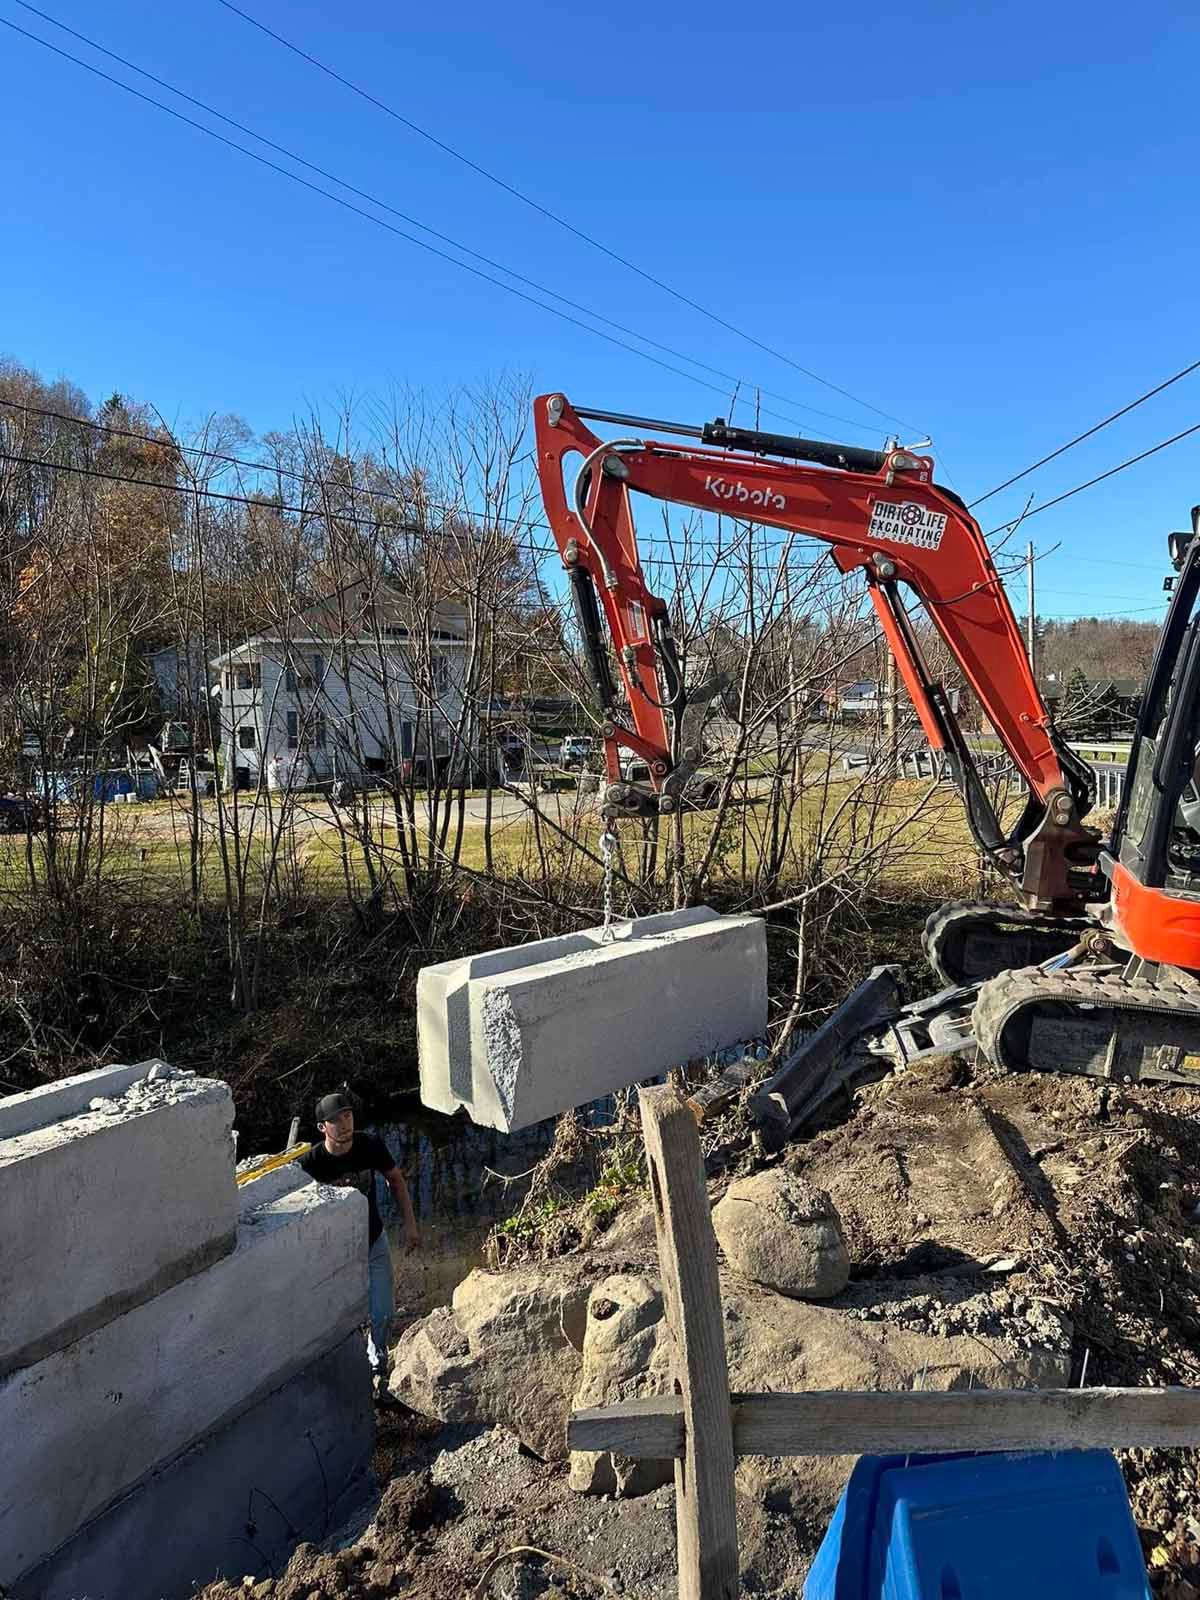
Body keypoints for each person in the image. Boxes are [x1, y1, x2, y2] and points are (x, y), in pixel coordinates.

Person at [299, 1090, 420, 1396]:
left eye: (348, 1115)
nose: (344, 1123)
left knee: (382, 1312)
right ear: (322, 1128)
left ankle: (378, 1365)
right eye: (335, 1120)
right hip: (335, 1253)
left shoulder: (369, 1145)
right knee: (337, 1317)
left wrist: (411, 1226)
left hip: (373, 1239)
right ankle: (341, 1374)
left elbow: (396, 1179)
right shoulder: (311, 1164)